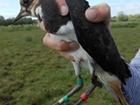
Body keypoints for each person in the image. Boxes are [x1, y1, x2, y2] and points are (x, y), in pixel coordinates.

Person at [38, 0, 140, 105]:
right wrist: (105, 45)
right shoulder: (50, 15)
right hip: (105, 65)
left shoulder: (73, 7)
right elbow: (136, 72)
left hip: (103, 66)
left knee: (91, 81)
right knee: (81, 82)